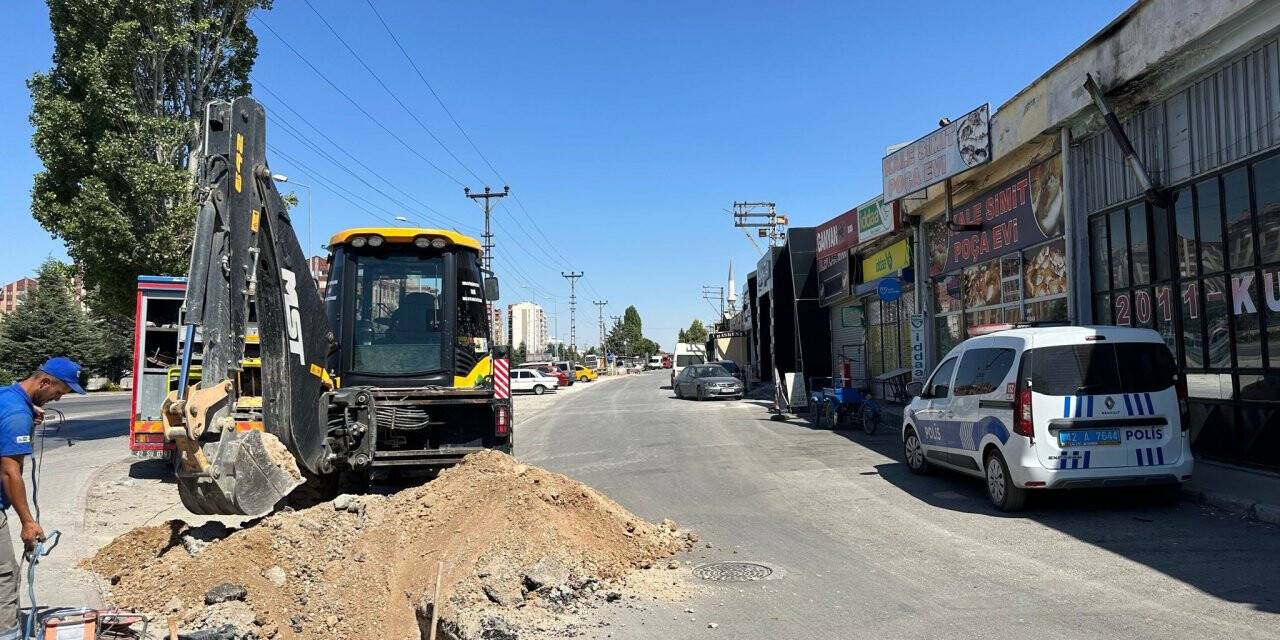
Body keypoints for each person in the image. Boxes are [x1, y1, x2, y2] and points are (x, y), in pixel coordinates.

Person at [0, 357, 84, 634]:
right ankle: (7, 634)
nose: (57, 399)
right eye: (58, 392)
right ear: (44, 382)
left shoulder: (7, 396)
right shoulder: (17, 414)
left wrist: (28, 421)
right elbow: (9, 473)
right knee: (4, 575)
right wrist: (27, 521)